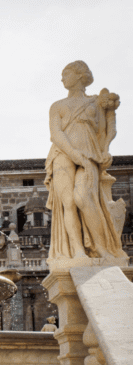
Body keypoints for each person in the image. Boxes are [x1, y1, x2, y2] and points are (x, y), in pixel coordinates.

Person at [45, 61, 127, 262]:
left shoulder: (96, 102)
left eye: (67, 73)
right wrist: (74, 154)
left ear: (80, 75)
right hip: (63, 154)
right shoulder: (57, 106)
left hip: (89, 154)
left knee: (83, 198)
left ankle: (101, 248)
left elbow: (108, 130)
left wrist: (106, 147)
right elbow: (56, 134)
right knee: (69, 203)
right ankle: (78, 251)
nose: (62, 78)